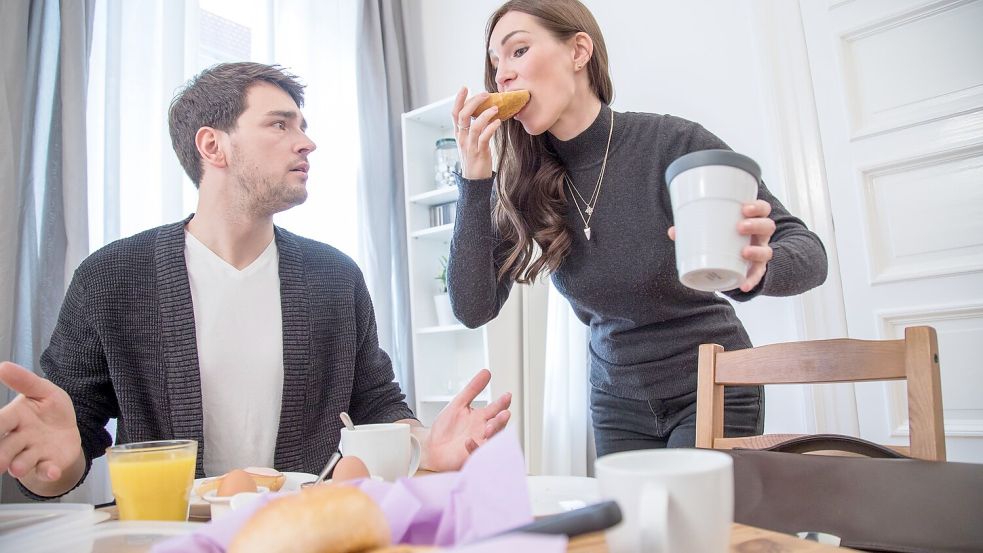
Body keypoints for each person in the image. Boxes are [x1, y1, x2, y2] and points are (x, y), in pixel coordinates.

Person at [0, 62, 511, 500]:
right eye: (280, 125)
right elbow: (65, 445)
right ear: (213, 145)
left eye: (302, 126)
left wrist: (425, 443)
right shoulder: (111, 277)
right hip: (170, 537)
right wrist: (55, 465)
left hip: (305, 532)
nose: (306, 142)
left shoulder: (335, 277)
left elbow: (375, 402)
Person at [447, 0, 827, 457]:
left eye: (518, 51)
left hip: (710, 383)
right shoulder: (524, 181)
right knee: (635, 530)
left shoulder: (671, 145)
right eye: (495, 63)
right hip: (616, 402)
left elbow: (808, 251)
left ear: (578, 51)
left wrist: (758, 269)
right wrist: (474, 179)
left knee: (698, 527)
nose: (502, 75)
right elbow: (472, 307)